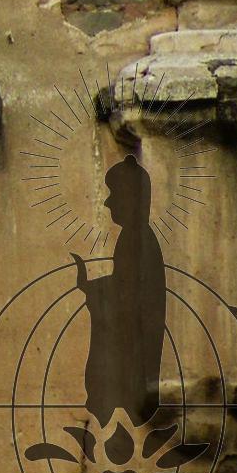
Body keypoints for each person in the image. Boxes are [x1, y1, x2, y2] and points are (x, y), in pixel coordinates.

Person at [72, 154, 165, 427]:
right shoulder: (132, 238)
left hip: (136, 355)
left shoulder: (138, 239)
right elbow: (125, 285)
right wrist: (95, 287)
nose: (108, 202)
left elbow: (133, 298)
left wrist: (94, 290)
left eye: (114, 194)